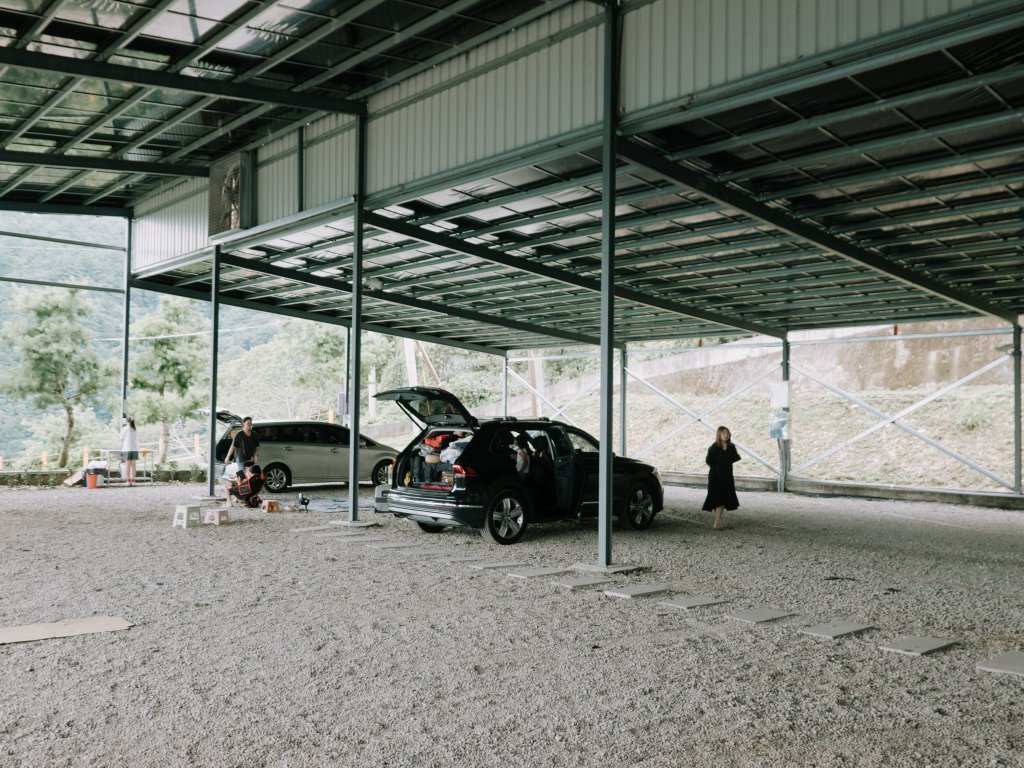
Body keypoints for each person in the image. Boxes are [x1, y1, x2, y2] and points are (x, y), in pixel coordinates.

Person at [701, 425, 740, 529]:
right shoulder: (713, 448)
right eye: (723, 433)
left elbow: (733, 459)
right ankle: (717, 522)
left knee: (724, 498)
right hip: (716, 477)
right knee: (718, 498)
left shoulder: (731, 447)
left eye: (727, 433)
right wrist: (717, 469)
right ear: (719, 434)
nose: (726, 435)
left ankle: (717, 521)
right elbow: (709, 462)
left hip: (727, 476)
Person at [120, 417, 140, 486]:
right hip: (135, 449)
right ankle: (133, 481)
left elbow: (121, 439)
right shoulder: (135, 429)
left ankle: (128, 481)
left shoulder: (125, 429)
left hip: (127, 449)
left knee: (128, 465)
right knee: (134, 465)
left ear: (127, 421)